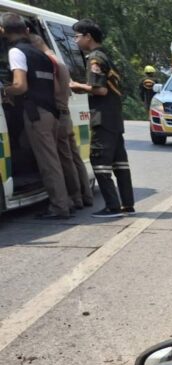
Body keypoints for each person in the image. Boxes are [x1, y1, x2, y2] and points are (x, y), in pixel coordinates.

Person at [2, 14, 72, 220]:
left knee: (48, 163)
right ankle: (66, 201)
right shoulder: (40, 53)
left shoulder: (16, 52)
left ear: (4, 31)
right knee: (53, 159)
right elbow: (55, 87)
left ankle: (59, 207)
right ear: (25, 30)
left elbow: (20, 85)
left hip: (36, 114)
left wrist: (5, 90)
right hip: (51, 112)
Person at [69, 18, 134, 218]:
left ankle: (112, 207)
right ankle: (127, 204)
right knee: (120, 164)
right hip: (114, 117)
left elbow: (100, 90)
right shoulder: (107, 56)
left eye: (77, 36)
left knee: (99, 162)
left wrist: (76, 86)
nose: (75, 41)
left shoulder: (94, 59)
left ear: (88, 36)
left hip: (103, 117)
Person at [29, 33, 92, 211]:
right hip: (65, 112)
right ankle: (84, 196)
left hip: (58, 113)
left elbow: (54, 89)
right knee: (73, 157)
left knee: (64, 159)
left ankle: (73, 198)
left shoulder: (49, 62)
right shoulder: (58, 60)